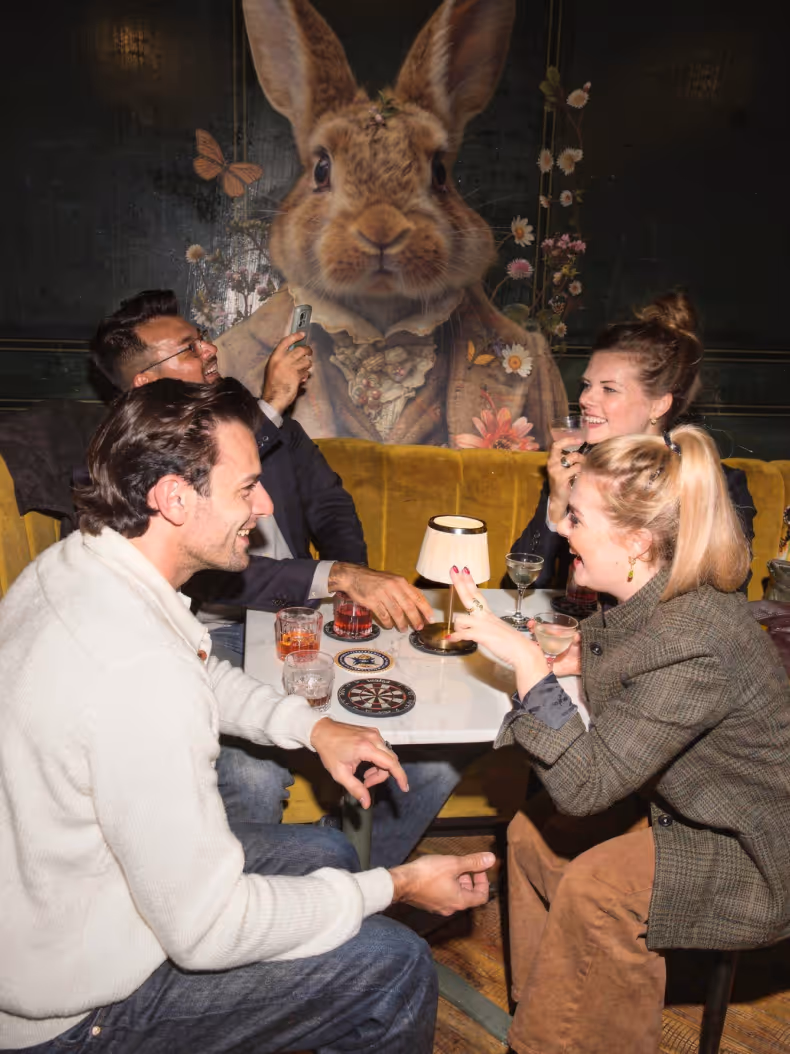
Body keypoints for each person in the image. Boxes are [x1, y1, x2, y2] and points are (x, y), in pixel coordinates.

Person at [0, 378, 495, 1053]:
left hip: (55, 906)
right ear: (173, 498)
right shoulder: (135, 676)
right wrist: (399, 885)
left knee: (326, 850)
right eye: (244, 490)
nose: (262, 508)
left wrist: (312, 727)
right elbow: (209, 930)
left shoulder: (73, 567)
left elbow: (198, 668)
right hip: (73, 1012)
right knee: (393, 964)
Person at [90, 291, 478, 867]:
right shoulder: (134, 456)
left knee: (442, 740)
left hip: (315, 604)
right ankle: (263, 897)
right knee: (251, 779)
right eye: (189, 348)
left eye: (202, 337)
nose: (210, 348)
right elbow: (218, 582)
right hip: (226, 625)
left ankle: (330, 874)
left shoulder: (239, 410)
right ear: (147, 382)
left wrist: (353, 581)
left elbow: (329, 503)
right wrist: (271, 406)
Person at [447, 424, 790, 1054]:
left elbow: (585, 786)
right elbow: (633, 653)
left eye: (575, 517)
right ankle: (557, 1011)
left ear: (635, 539)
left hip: (753, 846)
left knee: (601, 889)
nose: (562, 531)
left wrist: (527, 662)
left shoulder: (694, 640)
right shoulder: (663, 598)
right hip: (685, 810)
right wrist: (576, 656)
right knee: (529, 835)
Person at [509, 291, 756, 592]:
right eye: (586, 385)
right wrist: (557, 504)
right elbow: (526, 583)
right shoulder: (574, 468)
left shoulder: (713, 484)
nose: (586, 399)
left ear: (658, 405)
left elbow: (728, 591)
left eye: (609, 389)